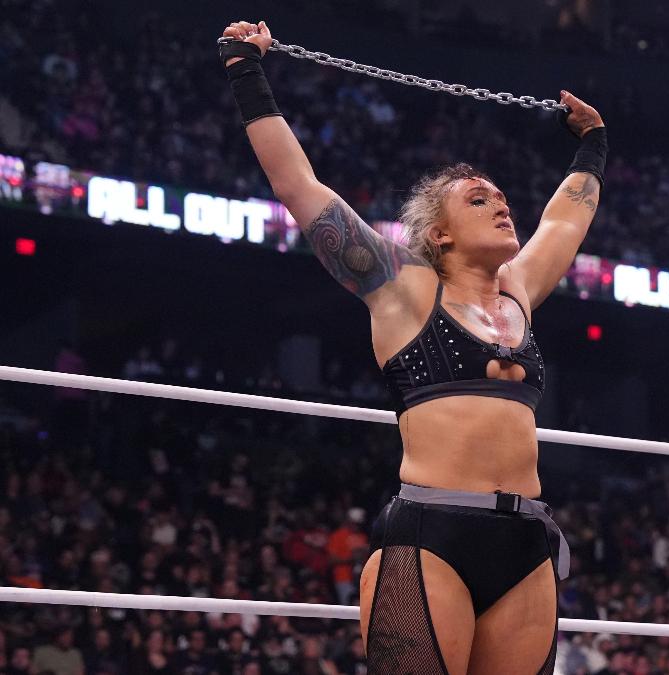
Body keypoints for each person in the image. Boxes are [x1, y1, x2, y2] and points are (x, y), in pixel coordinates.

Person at [220, 20, 607, 674]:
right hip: (432, 537)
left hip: (525, 542)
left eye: (503, 197)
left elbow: (566, 219)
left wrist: (593, 143)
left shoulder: (517, 290)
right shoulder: (402, 287)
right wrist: (244, 69)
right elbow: (299, 187)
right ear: (442, 235)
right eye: (479, 200)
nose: (502, 206)